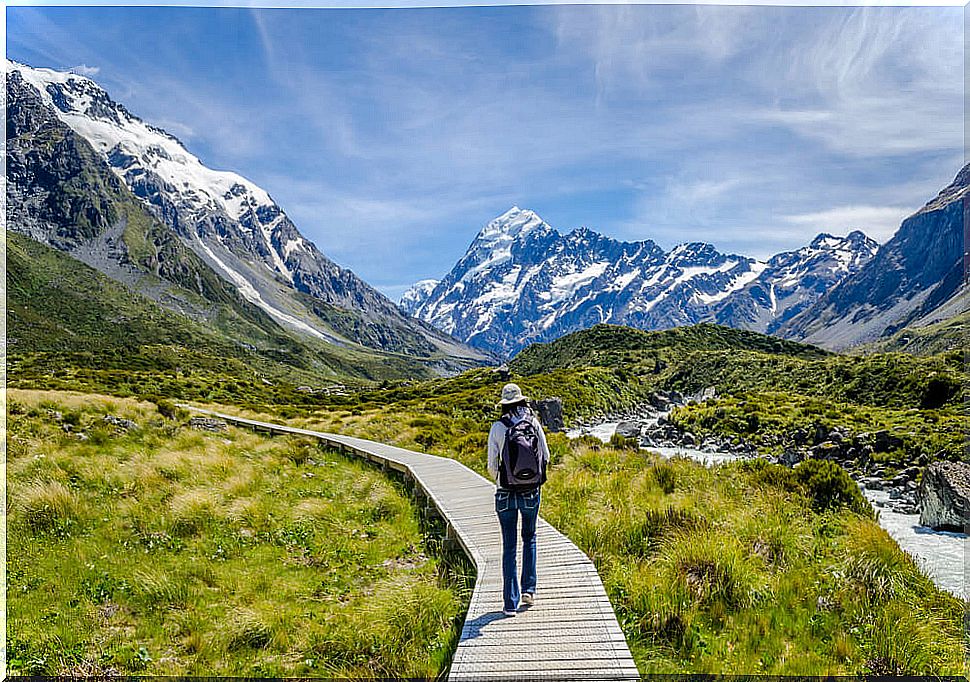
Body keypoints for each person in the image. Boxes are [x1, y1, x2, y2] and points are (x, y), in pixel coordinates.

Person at [487, 382, 551, 616]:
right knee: (530, 538)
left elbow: (492, 466)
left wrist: (503, 480)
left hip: (505, 493)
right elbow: (546, 455)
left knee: (509, 546)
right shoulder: (533, 423)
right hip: (531, 492)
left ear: (504, 404)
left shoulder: (497, 427)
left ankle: (510, 604)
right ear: (522, 401)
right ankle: (529, 590)